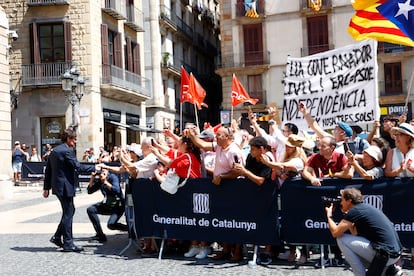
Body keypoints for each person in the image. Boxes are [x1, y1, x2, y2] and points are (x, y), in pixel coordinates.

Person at [325, 187, 403, 276]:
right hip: (393, 254)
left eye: (342, 200)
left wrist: (329, 215)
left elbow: (335, 233)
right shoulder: (364, 208)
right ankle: (388, 270)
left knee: (341, 239)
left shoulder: (355, 211)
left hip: (385, 254)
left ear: (349, 201)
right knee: (351, 253)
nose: (340, 203)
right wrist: (347, 216)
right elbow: (355, 233)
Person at [43, 128, 97, 252]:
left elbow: (48, 171)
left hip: (58, 187)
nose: (75, 141)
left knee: (69, 211)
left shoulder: (54, 151)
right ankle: (68, 242)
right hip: (65, 187)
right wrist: (95, 167)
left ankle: (57, 237)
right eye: (74, 139)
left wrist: (46, 188)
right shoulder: (66, 151)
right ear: (68, 139)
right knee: (68, 213)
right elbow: (77, 166)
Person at [86, 168, 127, 242]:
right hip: (107, 205)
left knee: (111, 225)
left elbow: (117, 190)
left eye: (104, 170)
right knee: (91, 210)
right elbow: (89, 191)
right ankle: (100, 235)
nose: (102, 172)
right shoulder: (100, 180)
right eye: (101, 170)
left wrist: (105, 182)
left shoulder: (113, 177)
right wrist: (92, 178)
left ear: (108, 171)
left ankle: (131, 229)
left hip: (118, 206)